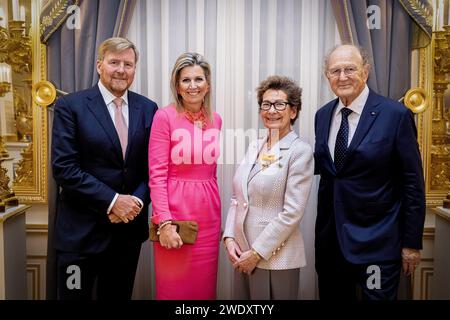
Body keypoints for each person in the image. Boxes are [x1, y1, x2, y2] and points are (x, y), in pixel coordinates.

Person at [314, 44, 425, 300]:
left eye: (350, 69)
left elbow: (412, 183)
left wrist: (411, 243)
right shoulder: (322, 116)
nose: (342, 77)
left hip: (378, 243)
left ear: (366, 71)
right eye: (335, 71)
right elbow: (329, 174)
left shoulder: (395, 115)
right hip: (331, 245)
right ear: (327, 76)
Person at [51, 37, 158, 300]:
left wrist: (133, 203)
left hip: (126, 236)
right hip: (80, 235)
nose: (121, 69)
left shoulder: (148, 108)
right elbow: (64, 168)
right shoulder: (70, 106)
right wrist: (112, 202)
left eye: (128, 64)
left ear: (134, 69)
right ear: (100, 65)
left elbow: (153, 168)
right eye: (114, 62)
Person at [223, 75, 314, 300]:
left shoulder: (300, 151)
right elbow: (238, 196)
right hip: (242, 252)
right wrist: (229, 238)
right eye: (266, 104)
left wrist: (257, 253)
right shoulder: (255, 145)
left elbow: (292, 213)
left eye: (279, 104)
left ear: (293, 111)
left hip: (275, 257)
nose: (271, 110)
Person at [148, 52, 222, 300]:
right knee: (175, 290)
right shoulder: (164, 117)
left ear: (208, 85)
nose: (193, 86)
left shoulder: (216, 120)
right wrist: (164, 223)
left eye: (198, 79)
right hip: (175, 215)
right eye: (186, 80)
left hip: (209, 216)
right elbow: (156, 175)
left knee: (203, 290)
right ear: (177, 86)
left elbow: (211, 172)